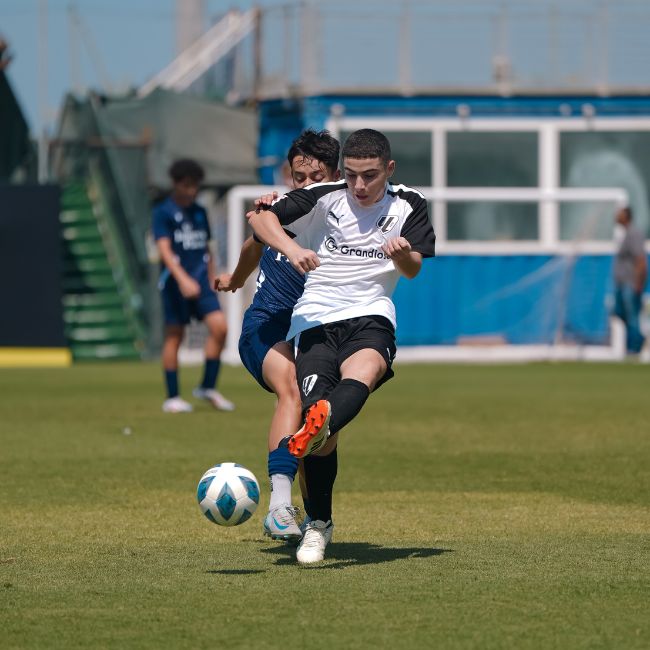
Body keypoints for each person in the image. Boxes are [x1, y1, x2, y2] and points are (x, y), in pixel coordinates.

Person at [248, 128, 436, 563]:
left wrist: (402, 253)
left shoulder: (409, 203)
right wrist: (292, 249)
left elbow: (412, 270)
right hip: (314, 321)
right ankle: (321, 522)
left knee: (363, 373)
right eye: (351, 175)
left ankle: (324, 423)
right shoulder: (325, 195)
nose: (359, 186)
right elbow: (259, 220)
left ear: (388, 170)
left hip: (371, 313)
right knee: (322, 439)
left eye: (370, 176)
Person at [215, 129, 341, 543]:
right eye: (298, 177)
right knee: (290, 388)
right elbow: (255, 240)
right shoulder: (280, 209)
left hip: (312, 334)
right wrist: (235, 280)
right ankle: (278, 507)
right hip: (265, 327)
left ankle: (313, 517)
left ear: (336, 175)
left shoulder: (344, 219)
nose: (305, 185)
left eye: (315, 177)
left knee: (316, 422)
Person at [152, 158, 234, 413]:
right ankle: (172, 396)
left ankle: (207, 386)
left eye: (194, 185)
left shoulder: (199, 211)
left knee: (220, 328)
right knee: (174, 337)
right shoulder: (163, 212)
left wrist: (212, 275)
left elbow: (207, 247)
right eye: (186, 185)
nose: (191, 190)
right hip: (176, 284)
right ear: (176, 184)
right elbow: (164, 250)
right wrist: (182, 278)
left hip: (202, 282)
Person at [613, 206, 647, 355]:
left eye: (619, 213)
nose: (616, 216)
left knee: (632, 315)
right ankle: (635, 341)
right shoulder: (626, 234)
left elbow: (641, 260)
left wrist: (638, 283)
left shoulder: (634, 233)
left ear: (626, 216)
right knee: (619, 312)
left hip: (631, 283)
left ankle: (635, 346)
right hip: (622, 283)